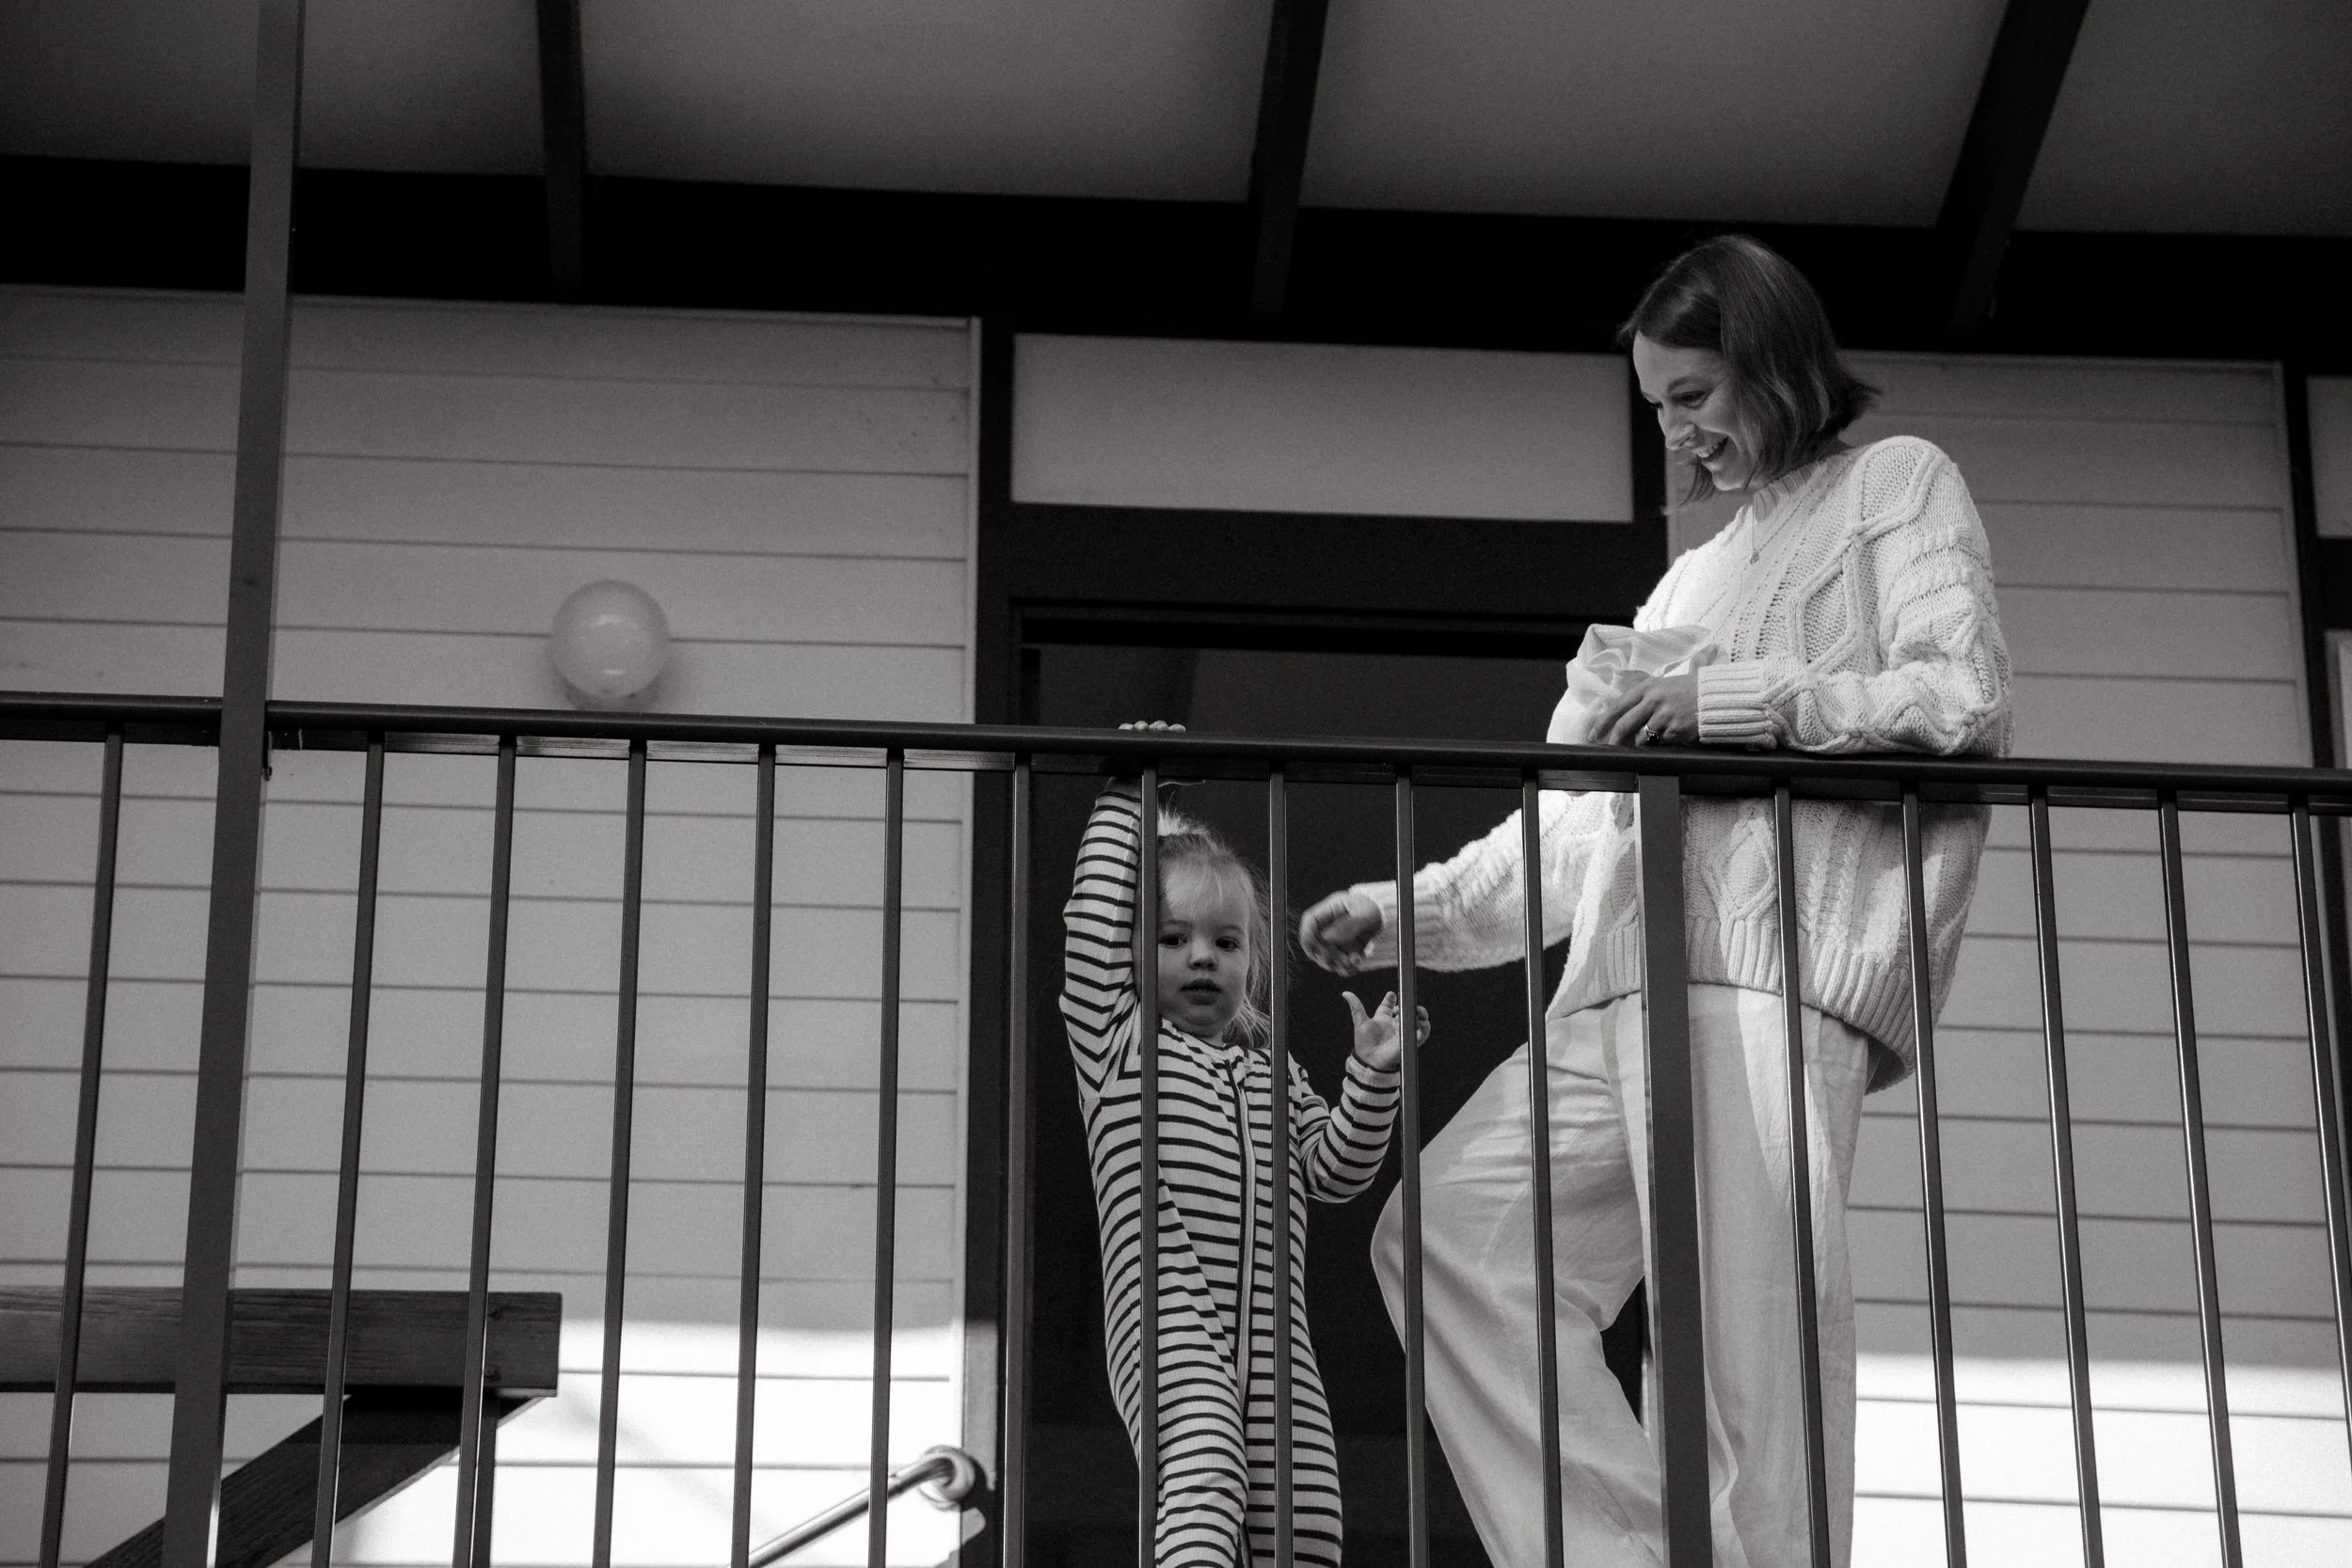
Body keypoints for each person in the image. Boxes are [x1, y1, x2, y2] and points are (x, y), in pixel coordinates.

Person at [1296, 234, 2012, 1568]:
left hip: (1769, 965)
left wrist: (1721, 705)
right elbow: (1574, 837)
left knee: (1749, 1353)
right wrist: (1409, 911)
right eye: (1659, 409)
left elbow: (1958, 699)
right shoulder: (1681, 583)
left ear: (1772, 358)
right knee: (1445, 1237)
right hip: (1613, 983)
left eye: (1692, 395)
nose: (1678, 433)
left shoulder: (1896, 486)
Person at [1062, 724, 1427, 1566]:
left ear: (1251, 962)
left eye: (1225, 943)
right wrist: (1129, 793)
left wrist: (1371, 1076)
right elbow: (1089, 923)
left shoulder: (1275, 1075)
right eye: (1172, 938)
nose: (1202, 956)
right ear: (1128, 958)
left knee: (1306, 1515)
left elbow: (1337, 1172)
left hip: (1277, 1334)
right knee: (1204, 1466)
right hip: (1164, 1306)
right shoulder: (1116, 1041)